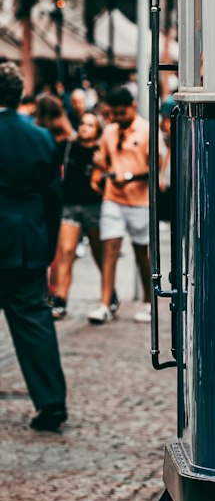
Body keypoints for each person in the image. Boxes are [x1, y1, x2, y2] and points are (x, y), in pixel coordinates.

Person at [0, 62, 69, 432]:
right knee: (34, 322)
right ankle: (51, 400)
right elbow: (51, 199)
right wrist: (48, 244)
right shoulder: (41, 137)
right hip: (27, 240)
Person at [88, 86, 153, 324]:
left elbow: (156, 169)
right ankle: (105, 303)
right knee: (110, 250)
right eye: (113, 113)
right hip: (113, 198)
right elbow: (102, 161)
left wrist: (130, 178)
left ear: (132, 107)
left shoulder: (147, 131)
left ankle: (148, 301)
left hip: (140, 201)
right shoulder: (109, 132)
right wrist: (98, 173)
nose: (116, 118)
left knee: (142, 254)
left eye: (121, 113)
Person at [49, 112, 115, 321]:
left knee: (99, 255)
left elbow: (110, 175)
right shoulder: (68, 147)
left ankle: (110, 296)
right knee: (66, 251)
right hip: (69, 205)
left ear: (97, 129)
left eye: (90, 125)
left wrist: (103, 165)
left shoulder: (101, 151)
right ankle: (60, 299)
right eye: (83, 124)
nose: (85, 128)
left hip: (94, 207)